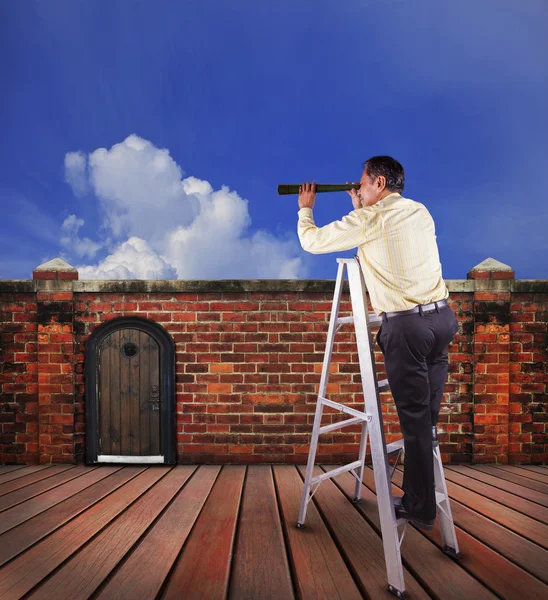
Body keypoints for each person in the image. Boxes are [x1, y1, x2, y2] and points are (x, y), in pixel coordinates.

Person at [297, 156, 458, 530]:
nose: (359, 188)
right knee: (426, 423)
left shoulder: (369, 220)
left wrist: (306, 211)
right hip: (443, 321)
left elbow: (313, 242)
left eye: (363, 183)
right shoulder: (419, 212)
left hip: (408, 330)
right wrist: (363, 207)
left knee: (416, 424)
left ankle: (420, 506)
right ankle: (421, 492)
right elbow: (386, 239)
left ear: (380, 183)